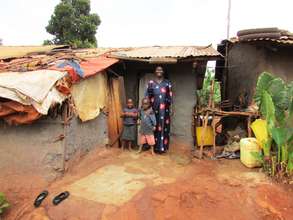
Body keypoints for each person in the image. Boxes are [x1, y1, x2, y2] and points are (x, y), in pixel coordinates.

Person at [145, 66, 172, 153]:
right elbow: (147, 97)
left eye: (161, 70)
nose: (159, 71)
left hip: (165, 110)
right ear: (155, 72)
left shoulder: (167, 83)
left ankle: (162, 148)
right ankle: (151, 147)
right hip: (153, 109)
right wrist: (147, 109)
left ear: (163, 71)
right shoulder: (151, 83)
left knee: (163, 127)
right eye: (157, 70)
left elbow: (170, 96)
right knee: (152, 126)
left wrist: (171, 108)